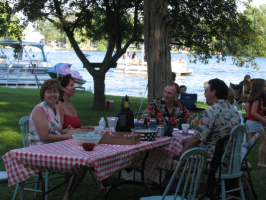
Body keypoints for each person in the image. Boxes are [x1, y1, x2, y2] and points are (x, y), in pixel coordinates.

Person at [181, 78, 241, 154]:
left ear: (213, 93)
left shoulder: (211, 111)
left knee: (170, 162)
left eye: (206, 91)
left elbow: (196, 140)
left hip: (209, 159)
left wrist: (181, 154)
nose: (204, 94)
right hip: (229, 157)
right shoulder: (234, 111)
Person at [29, 79, 73, 146]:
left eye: (55, 92)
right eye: (49, 92)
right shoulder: (40, 110)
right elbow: (44, 137)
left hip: (53, 146)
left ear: (59, 94)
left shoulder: (56, 108)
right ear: (43, 94)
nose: (52, 95)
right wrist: (67, 136)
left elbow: (53, 131)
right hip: (39, 149)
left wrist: (65, 131)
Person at [246, 78, 266, 167]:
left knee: (250, 143)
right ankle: (260, 162)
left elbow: (257, 109)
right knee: (263, 141)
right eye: (265, 86)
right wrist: (264, 120)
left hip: (251, 122)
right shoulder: (257, 99)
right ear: (259, 87)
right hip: (255, 122)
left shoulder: (257, 98)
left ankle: (241, 156)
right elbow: (253, 113)